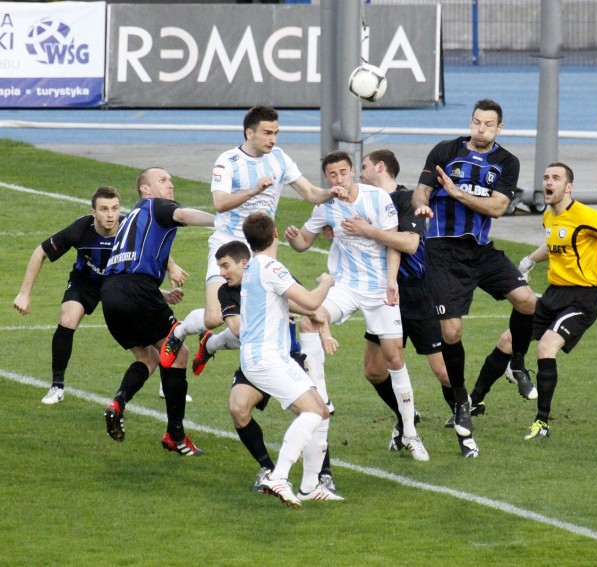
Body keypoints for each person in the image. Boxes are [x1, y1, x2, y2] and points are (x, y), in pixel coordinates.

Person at [160, 105, 347, 369]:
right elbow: (220, 202)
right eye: (267, 133)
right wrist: (253, 190)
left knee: (257, 323)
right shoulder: (228, 161)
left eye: (276, 133)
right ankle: (179, 333)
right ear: (250, 132)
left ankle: (211, 344)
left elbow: (310, 193)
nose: (273, 139)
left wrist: (332, 192)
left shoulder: (280, 158)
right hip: (228, 245)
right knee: (214, 317)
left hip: (261, 251)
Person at [482, 163, 597, 441]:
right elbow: (554, 243)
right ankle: (473, 402)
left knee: (546, 347)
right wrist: (529, 260)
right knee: (509, 339)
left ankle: (542, 422)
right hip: (553, 294)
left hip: (583, 297)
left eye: (556, 178)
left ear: (568, 186)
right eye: (546, 177)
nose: (548, 182)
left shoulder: (587, 216)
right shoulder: (548, 216)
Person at [286, 150, 430, 462]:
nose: (338, 179)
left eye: (342, 172)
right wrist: (294, 238)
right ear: (327, 178)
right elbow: (303, 244)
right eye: (332, 175)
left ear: (352, 172)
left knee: (394, 357)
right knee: (310, 320)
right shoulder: (325, 205)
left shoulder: (378, 198)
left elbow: (393, 242)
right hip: (344, 285)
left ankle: (410, 432)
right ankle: (321, 399)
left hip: (378, 287)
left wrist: (392, 281)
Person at [412, 98, 539, 435]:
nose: (481, 129)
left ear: (499, 128)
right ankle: (460, 401)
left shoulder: (506, 162)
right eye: (476, 123)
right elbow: (420, 192)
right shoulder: (444, 151)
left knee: (527, 301)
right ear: (471, 122)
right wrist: (422, 206)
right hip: (442, 252)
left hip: (480, 251)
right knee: (451, 332)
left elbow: (497, 208)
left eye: (488, 125)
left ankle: (517, 363)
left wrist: (456, 194)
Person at [350, 149, 479, 458]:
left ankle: (466, 432)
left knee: (445, 373)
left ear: (380, 167)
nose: (360, 173)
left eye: (364, 167)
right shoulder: (363, 201)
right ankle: (406, 418)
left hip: (418, 294)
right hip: (383, 296)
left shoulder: (409, 201)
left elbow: (409, 244)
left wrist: (369, 231)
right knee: (374, 370)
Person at [12, 187, 186, 405]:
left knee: (150, 333)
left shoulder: (128, 226)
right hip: (86, 281)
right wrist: (24, 293)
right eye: (104, 209)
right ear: (93, 212)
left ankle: (167, 379)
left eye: (114, 208)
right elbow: (40, 253)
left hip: (120, 283)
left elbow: (151, 244)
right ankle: (57, 386)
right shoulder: (80, 229)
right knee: (67, 318)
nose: (110, 215)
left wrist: (172, 266)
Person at [198, 239, 339, 492]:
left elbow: (313, 310)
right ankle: (270, 469)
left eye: (226, 266)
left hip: (287, 356)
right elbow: (238, 329)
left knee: (313, 411)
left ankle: (321, 476)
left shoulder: (272, 274)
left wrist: (325, 334)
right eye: (219, 267)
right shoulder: (227, 291)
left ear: (244, 263)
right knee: (238, 408)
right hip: (259, 359)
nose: (222, 273)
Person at [101, 167, 214, 456]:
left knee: (148, 357)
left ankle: (118, 402)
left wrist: (160, 291)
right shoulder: (157, 205)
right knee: (179, 352)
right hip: (137, 291)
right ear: (145, 190)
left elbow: (129, 261)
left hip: (111, 294)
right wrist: (223, 222)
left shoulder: (131, 219)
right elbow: (184, 215)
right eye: (163, 180)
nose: (171, 184)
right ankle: (174, 435)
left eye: (171, 180)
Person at [240, 211, 341, 506]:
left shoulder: (252, 268)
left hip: (268, 356)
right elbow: (311, 299)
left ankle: (310, 487)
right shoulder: (271, 267)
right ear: (274, 235)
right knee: (311, 413)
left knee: (320, 410)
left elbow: (291, 304)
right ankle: (279, 477)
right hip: (266, 358)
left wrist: (304, 312)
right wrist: (327, 281)